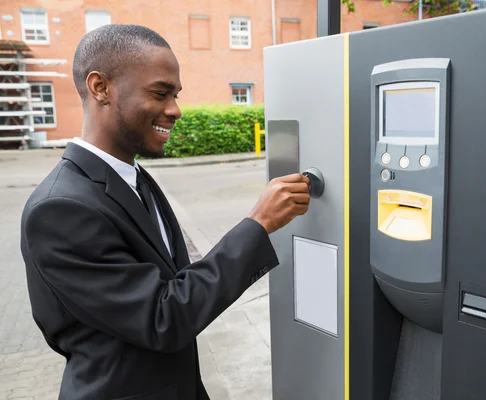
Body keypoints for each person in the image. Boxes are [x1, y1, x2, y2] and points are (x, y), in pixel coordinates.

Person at [20, 24, 310, 400]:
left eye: (175, 95)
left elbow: (174, 285)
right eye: (160, 93)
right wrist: (258, 224)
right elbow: (163, 318)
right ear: (100, 87)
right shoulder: (60, 209)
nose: (175, 110)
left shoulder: (134, 178)